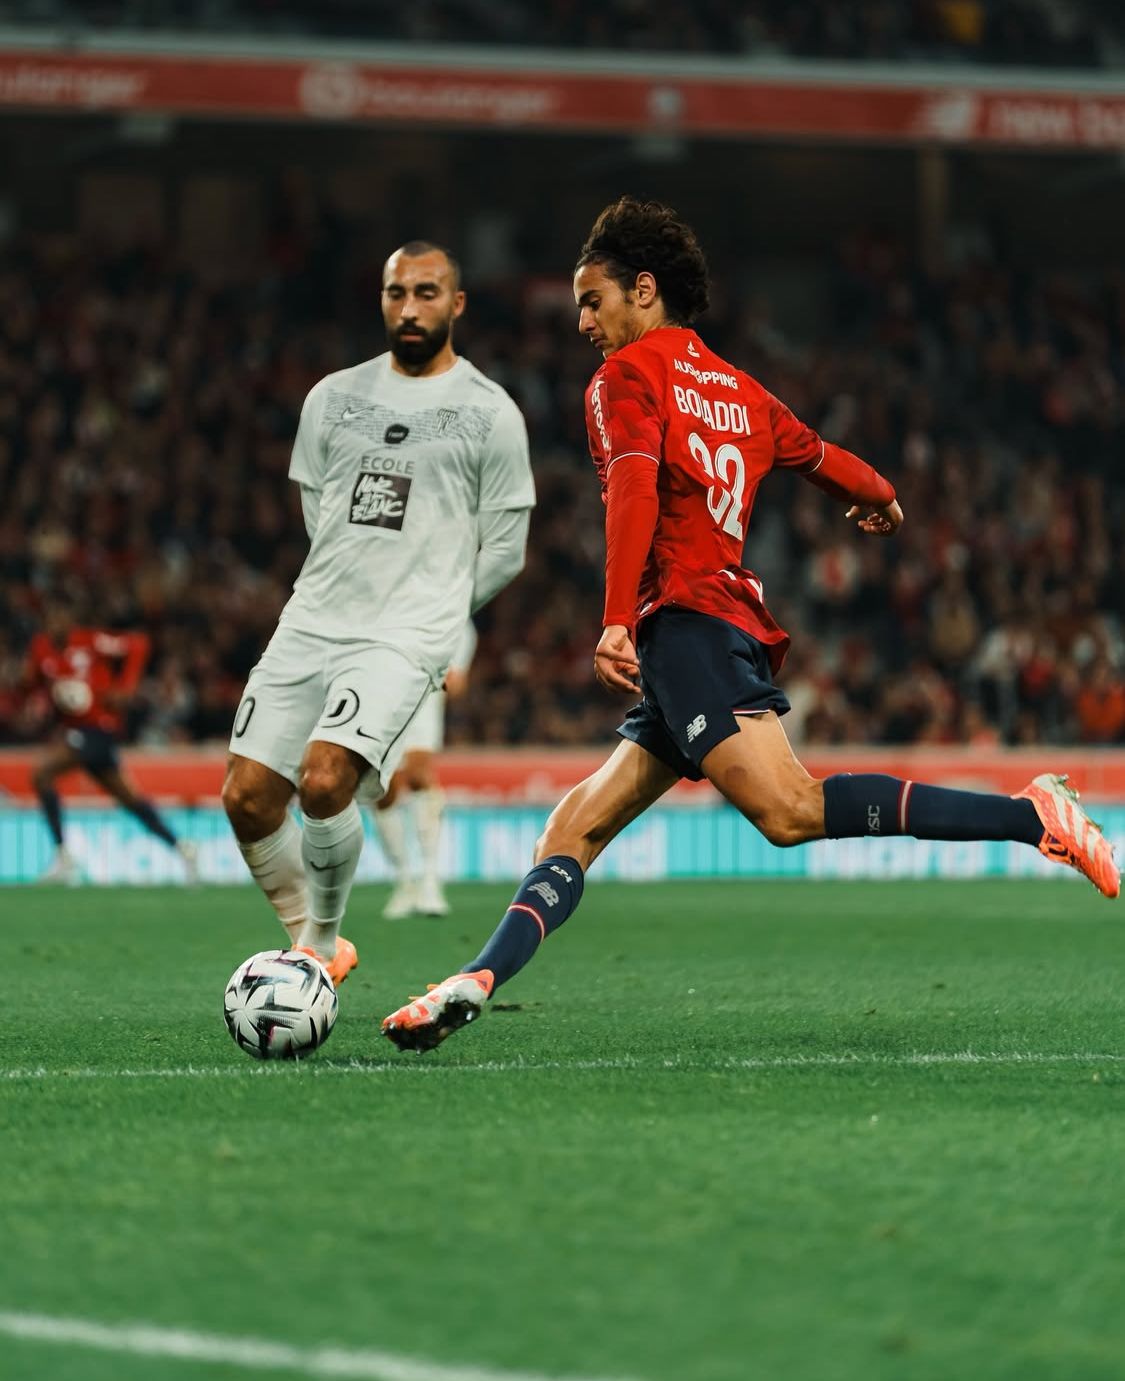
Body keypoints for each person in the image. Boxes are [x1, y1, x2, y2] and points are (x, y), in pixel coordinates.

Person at [382, 196, 1120, 1051]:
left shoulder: (626, 377)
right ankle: (473, 977)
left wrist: (615, 619)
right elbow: (825, 459)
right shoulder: (740, 388)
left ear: (644, 291)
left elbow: (630, 489)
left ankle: (1032, 816)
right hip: (697, 628)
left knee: (788, 809)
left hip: (686, 621)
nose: (582, 320)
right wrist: (878, 498)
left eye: (593, 300)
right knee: (572, 829)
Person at [222, 241, 535, 985]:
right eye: (397, 292)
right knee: (247, 797)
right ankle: (314, 937)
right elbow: (316, 509)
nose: (410, 307)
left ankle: (317, 953)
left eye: (427, 293)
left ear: (456, 304)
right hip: (314, 616)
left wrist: (433, 617)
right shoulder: (332, 397)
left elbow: (507, 549)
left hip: (404, 636)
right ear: (382, 298)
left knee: (326, 779)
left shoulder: (490, 412)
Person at [26, 602, 198, 884]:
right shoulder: (41, 649)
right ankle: (183, 848)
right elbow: (34, 682)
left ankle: (63, 856)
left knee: (42, 774)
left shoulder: (91, 641)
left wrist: (126, 686)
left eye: (62, 617)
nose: (58, 624)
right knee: (128, 800)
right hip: (76, 733)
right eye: (52, 618)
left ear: (70, 620)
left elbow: (138, 644)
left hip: (100, 729)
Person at [372, 616, 477, 919]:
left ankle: (430, 879)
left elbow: (455, 680)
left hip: (423, 686)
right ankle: (404, 880)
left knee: (418, 772)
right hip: (378, 691)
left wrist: (450, 666)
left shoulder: (448, 610)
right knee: (382, 785)